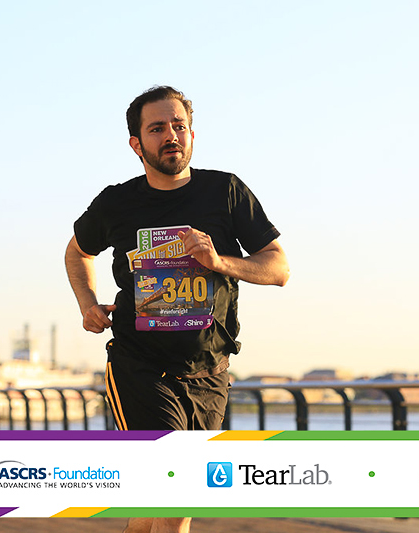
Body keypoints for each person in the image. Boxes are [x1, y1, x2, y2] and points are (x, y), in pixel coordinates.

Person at [65, 86, 289, 533]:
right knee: (174, 489)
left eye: (179, 126)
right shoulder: (117, 202)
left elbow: (278, 268)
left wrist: (219, 262)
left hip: (209, 371)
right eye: (157, 128)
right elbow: (77, 252)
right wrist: (88, 304)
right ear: (137, 144)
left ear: (192, 134)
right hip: (140, 366)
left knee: (159, 506)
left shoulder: (225, 191)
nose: (171, 135)